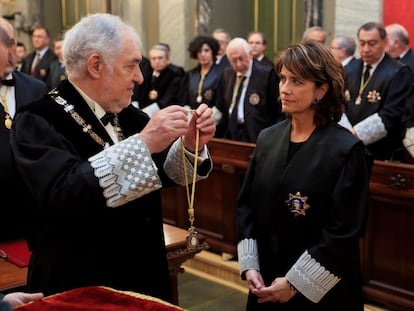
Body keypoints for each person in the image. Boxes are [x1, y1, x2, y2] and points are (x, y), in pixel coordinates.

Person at [10, 13, 215, 302]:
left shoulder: (131, 116)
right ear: (96, 65)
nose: (140, 77)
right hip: (80, 281)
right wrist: (144, 143)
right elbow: (62, 194)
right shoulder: (38, 119)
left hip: (142, 272)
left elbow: (162, 173)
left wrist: (191, 146)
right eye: (131, 65)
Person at [236, 41, 373, 310]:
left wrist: (295, 283)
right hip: (266, 278)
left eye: (297, 81)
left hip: (321, 290)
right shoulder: (267, 137)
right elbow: (247, 205)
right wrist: (250, 265)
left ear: (321, 90)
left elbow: (343, 232)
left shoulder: (346, 149)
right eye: (283, 79)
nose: (285, 89)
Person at [0, 17, 47, 243]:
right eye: (7, 44)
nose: (14, 52)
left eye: (14, 44)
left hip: (31, 213)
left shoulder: (36, 88)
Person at [342, 21, 412, 161]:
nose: (366, 49)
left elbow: (392, 114)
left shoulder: (398, 72)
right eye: (362, 43)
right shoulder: (350, 68)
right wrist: (344, 134)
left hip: (381, 153)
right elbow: (339, 104)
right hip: (348, 149)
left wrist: (354, 135)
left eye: (372, 43)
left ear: (384, 42)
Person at [214, 37, 283, 142]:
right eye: (233, 61)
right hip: (232, 134)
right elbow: (221, 105)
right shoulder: (227, 74)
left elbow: (278, 110)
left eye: (241, 58)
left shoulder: (267, 74)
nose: (238, 64)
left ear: (250, 54)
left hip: (258, 135)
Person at [130, 43, 184, 117]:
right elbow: (136, 94)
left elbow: (166, 100)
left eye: (160, 58)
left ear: (168, 58)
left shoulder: (175, 75)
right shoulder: (146, 74)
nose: (157, 61)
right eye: (154, 58)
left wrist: (141, 115)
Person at [180, 35, 222, 109]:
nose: (203, 54)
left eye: (206, 50)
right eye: (199, 51)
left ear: (212, 52)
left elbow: (221, 101)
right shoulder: (190, 74)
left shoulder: (221, 73)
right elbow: (185, 99)